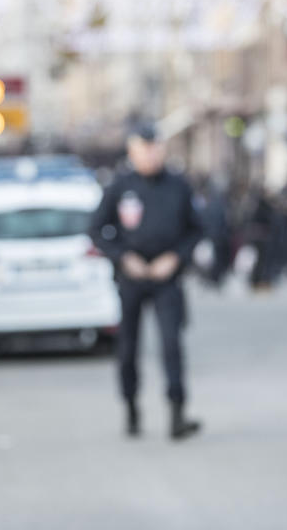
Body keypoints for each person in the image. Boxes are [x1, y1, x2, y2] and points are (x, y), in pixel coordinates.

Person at [88, 123, 204, 440]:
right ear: (132, 152)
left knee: (171, 344)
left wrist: (176, 258)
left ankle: (177, 411)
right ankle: (131, 406)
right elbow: (98, 229)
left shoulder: (179, 185)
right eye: (143, 149)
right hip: (132, 278)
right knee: (128, 347)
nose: (150, 155)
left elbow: (196, 229)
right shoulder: (120, 186)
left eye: (155, 148)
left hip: (167, 278)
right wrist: (124, 257)